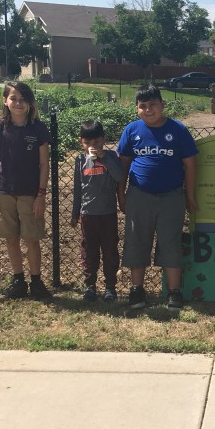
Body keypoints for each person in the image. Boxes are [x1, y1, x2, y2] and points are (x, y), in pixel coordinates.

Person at [117, 83, 197, 311]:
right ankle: (137, 290)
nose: (148, 110)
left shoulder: (178, 130)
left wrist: (189, 195)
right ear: (136, 108)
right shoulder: (132, 130)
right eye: (142, 106)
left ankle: (174, 291)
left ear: (163, 105)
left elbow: (190, 164)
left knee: (171, 243)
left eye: (153, 105)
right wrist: (121, 193)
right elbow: (123, 164)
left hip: (172, 196)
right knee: (137, 241)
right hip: (139, 195)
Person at [0, 81, 52, 301]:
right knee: (11, 238)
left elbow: (44, 164)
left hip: (30, 193)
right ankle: (18, 281)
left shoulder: (38, 129)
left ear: (30, 103)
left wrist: (41, 195)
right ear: (5, 101)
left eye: (23, 99)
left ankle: (36, 282)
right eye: (13, 98)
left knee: (32, 239)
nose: (18, 103)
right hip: (4, 191)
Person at [71, 119, 124, 303]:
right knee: (89, 250)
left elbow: (119, 176)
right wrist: (75, 213)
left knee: (110, 250)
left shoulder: (111, 156)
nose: (92, 146)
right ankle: (90, 286)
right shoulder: (80, 160)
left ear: (103, 139)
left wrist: (105, 158)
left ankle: (110, 286)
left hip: (108, 213)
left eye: (97, 142)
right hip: (88, 214)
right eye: (88, 143)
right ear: (81, 142)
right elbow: (78, 189)